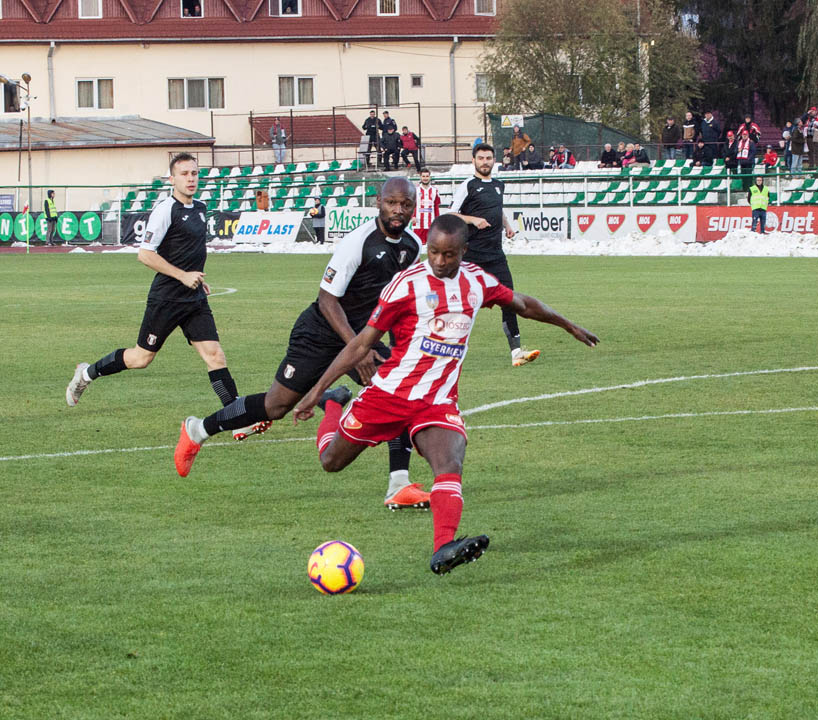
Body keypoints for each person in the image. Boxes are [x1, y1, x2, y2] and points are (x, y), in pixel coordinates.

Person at [289, 215, 600, 575]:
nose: (439, 261)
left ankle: (443, 548)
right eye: (433, 252)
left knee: (449, 463)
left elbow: (523, 304)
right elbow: (362, 343)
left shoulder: (477, 282)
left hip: (437, 401)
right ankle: (333, 405)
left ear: (463, 252)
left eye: (448, 255)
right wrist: (317, 392)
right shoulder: (404, 286)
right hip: (388, 395)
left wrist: (568, 325)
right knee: (331, 461)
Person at [175, 178, 427, 512]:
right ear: (378, 201)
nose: (397, 211)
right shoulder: (359, 242)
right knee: (276, 406)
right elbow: (327, 300)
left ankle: (399, 483)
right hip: (320, 332)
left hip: (362, 339)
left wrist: (397, 347)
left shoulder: (411, 246)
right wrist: (358, 348)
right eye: (391, 203)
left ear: (414, 206)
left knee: (398, 393)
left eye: (405, 205)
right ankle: (198, 429)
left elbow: (396, 303)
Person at [66, 153, 250, 438]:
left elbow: (188, 251)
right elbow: (145, 255)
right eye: (185, 174)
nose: (191, 179)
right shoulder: (166, 209)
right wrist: (182, 276)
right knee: (141, 358)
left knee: (215, 355)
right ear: (172, 179)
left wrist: (198, 279)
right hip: (166, 298)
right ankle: (86, 373)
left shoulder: (200, 208)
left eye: (195, 173)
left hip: (193, 298)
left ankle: (236, 418)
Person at [447, 144, 538, 367]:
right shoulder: (468, 185)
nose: (485, 161)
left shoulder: (499, 185)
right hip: (472, 255)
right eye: (481, 158)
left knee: (510, 300)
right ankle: (445, 349)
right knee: (460, 304)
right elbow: (451, 213)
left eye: (488, 158)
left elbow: (498, 209)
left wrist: (506, 224)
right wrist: (473, 220)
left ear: (494, 160)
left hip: (496, 255)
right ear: (474, 161)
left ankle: (516, 352)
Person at [414, 167, 441, 245]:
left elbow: (436, 206)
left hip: (431, 223)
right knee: (418, 245)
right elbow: (412, 205)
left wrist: (437, 219)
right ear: (420, 177)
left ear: (430, 177)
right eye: (423, 176)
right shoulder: (415, 190)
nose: (425, 178)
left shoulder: (435, 190)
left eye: (427, 176)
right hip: (418, 223)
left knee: (431, 246)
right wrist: (413, 216)